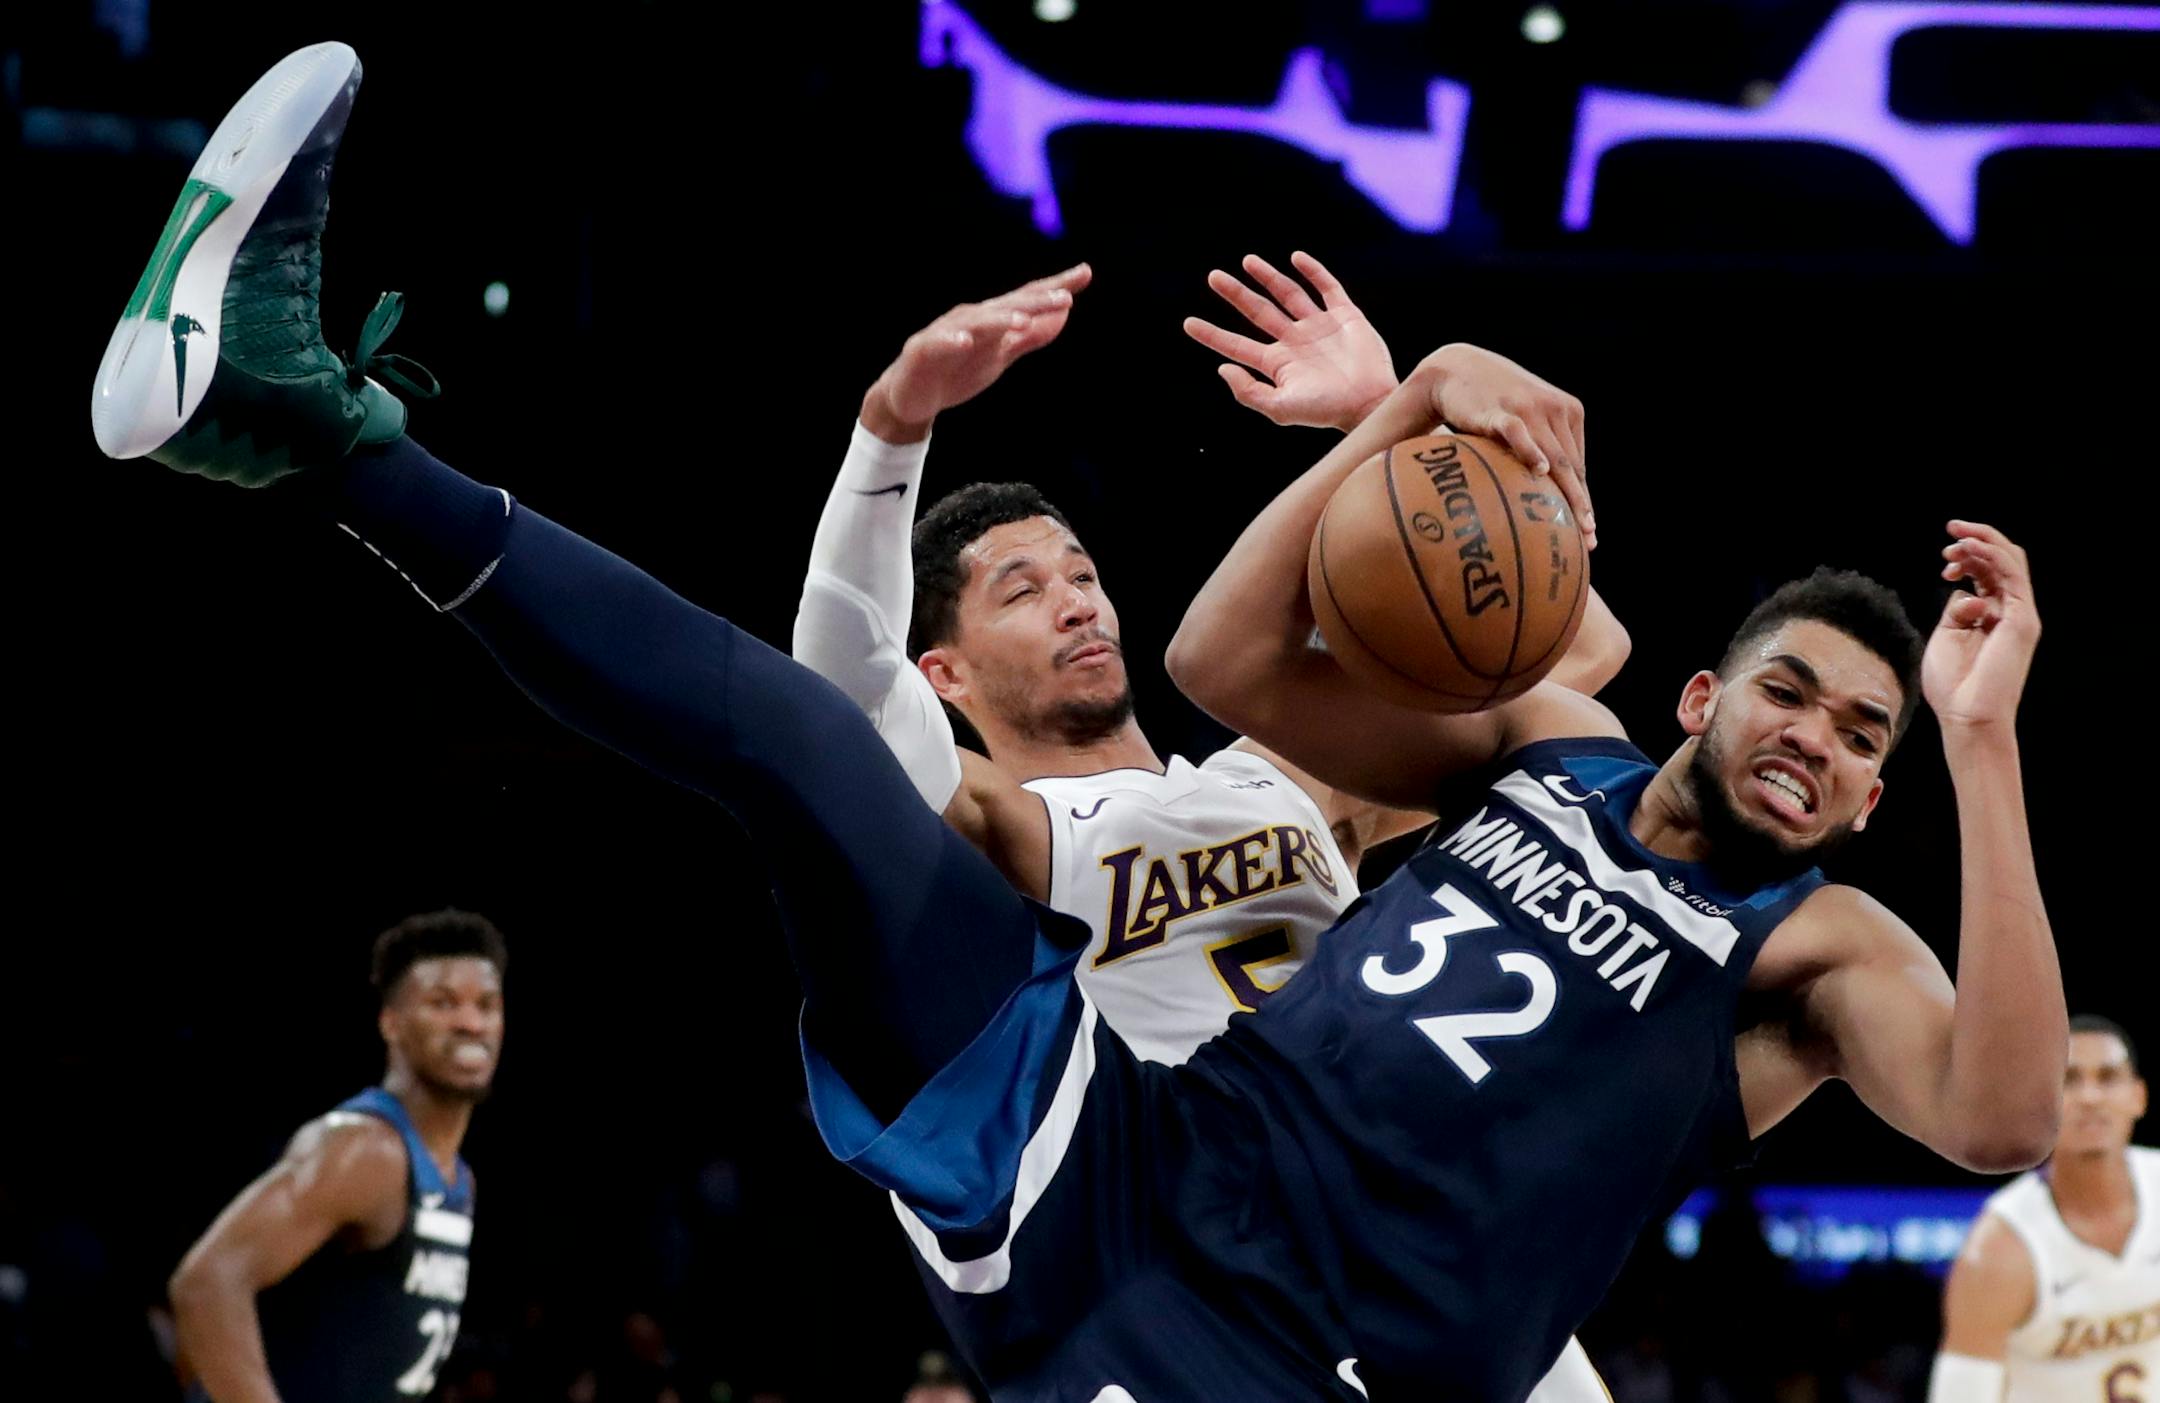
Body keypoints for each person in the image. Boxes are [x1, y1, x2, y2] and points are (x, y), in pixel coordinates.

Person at [98, 44, 2063, 1400]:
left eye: (1855, 724)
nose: (1078, 589)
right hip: (1115, 1149)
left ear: (1885, 773)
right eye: (1025, 586)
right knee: (799, 751)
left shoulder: (1520, 838)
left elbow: (1556, 621)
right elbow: (1067, 677)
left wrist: (1976, 728)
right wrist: (1396, 407)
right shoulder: (1095, 802)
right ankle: (308, 423)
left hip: (1353, 1333)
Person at [791, 249, 1624, 1400]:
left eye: (1081, 572)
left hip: (1431, 1217)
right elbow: (834, 725)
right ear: (943, 671)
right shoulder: (1002, 836)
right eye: (1021, 591)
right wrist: (893, 424)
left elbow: (1574, 657)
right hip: (1232, 1275)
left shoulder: (1290, 773)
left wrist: (1389, 429)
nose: (1075, 598)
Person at [168, 910, 507, 1403]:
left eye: (487, 1004)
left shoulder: (457, 1178)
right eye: (442, 1003)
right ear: (391, 1023)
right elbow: (206, 1283)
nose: (471, 1022)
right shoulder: (363, 1150)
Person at [1931, 1016, 2156, 1402]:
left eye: (2107, 1077)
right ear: (2036, 1102)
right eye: (2068, 1080)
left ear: (2138, 1097)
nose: (2090, 1097)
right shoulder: (1997, 1254)